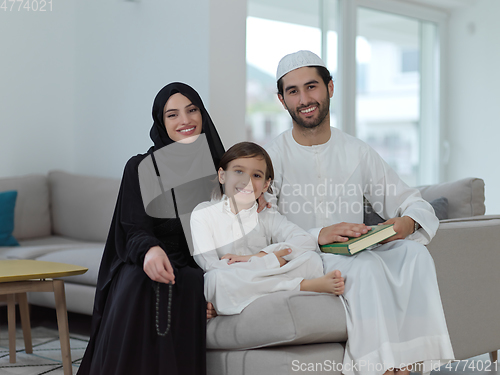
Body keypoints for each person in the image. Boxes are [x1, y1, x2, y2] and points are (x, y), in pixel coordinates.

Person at [263, 51, 455, 375]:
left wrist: (406, 223)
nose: (304, 98)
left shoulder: (356, 150)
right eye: (293, 91)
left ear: (330, 88)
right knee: (364, 267)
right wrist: (317, 235)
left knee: (413, 256)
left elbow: (412, 200)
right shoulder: (269, 156)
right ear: (281, 100)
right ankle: (382, 369)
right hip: (304, 256)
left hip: (354, 250)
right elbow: (260, 223)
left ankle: (412, 364)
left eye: (312, 87)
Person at [77, 82, 225, 375]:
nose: (185, 120)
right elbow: (133, 227)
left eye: (192, 110)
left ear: (202, 115)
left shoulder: (220, 170)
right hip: (147, 260)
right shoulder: (140, 167)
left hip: (196, 267)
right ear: (161, 122)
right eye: (173, 115)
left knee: (190, 282)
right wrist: (150, 251)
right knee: (140, 279)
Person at [190, 142, 344, 315]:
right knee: (215, 281)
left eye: (256, 175)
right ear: (222, 175)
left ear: (265, 185)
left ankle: (243, 299)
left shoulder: (266, 215)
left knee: (311, 259)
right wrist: (271, 261)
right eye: (239, 171)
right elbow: (212, 266)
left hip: (258, 277)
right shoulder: (202, 213)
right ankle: (301, 286)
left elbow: (305, 240)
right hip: (234, 277)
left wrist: (258, 256)